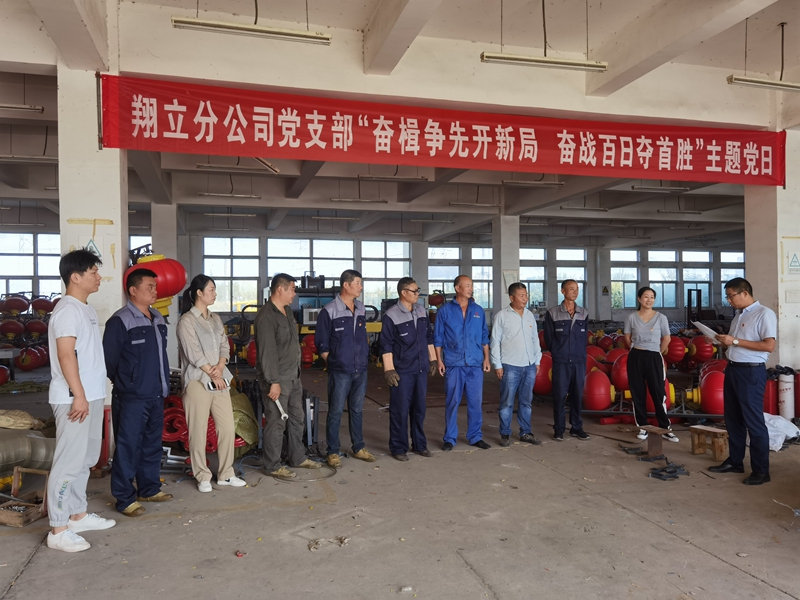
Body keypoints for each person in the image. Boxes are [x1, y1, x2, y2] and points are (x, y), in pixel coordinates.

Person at [46, 249, 116, 553]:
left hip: (90, 396)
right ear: (75, 277)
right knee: (67, 464)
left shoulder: (85, 309)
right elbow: (66, 355)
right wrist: (79, 395)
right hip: (74, 399)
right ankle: (58, 529)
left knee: (86, 460)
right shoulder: (66, 311)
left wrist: (90, 395)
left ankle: (77, 515)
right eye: (93, 272)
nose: (98, 277)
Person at [103, 268, 173, 518]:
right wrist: (128, 384)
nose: (155, 291)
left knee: (152, 444)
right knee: (128, 446)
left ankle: (149, 489)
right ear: (133, 290)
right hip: (132, 397)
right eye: (149, 287)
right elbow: (109, 361)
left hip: (156, 394)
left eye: (155, 287)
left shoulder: (158, 318)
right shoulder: (120, 320)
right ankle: (124, 498)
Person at [176, 274, 246, 492]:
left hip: (219, 381)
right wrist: (213, 374)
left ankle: (226, 473)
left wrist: (221, 365)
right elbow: (194, 354)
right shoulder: (187, 321)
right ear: (199, 293)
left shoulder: (215, 318)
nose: (215, 294)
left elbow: (225, 345)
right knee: (198, 430)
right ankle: (202, 475)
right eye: (212, 290)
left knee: (227, 428)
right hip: (198, 381)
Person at [255, 273, 321, 479]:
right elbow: (267, 353)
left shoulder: (288, 312)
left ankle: (297, 457)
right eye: (292, 289)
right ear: (280, 289)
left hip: (293, 376)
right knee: (276, 422)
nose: (295, 293)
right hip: (278, 379)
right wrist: (273, 382)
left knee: (296, 418)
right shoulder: (266, 316)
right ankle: (272, 465)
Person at [711, 277, 776, 485]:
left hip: (751, 372)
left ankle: (761, 471)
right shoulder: (739, 315)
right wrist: (720, 341)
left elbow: (768, 346)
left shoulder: (764, 313)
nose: (729, 300)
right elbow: (735, 344)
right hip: (733, 369)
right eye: (727, 297)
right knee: (733, 419)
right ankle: (735, 461)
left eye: (731, 296)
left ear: (745, 293)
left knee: (753, 422)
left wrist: (735, 340)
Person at [315, 270, 377, 468]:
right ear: (346, 285)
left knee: (357, 410)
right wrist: (333, 361)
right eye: (357, 283)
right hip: (340, 371)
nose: (361, 287)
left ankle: (358, 447)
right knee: (335, 411)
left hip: (361, 369)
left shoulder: (360, 308)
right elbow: (321, 343)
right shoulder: (329, 310)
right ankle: (333, 451)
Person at [380, 277, 436, 461]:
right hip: (402, 371)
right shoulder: (391, 315)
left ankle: (420, 445)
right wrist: (389, 369)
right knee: (400, 410)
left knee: (419, 409)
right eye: (414, 291)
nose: (418, 294)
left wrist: (433, 359)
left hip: (420, 369)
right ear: (404, 293)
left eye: (417, 290)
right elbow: (386, 345)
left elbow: (428, 337)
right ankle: (398, 447)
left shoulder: (421, 311)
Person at [433, 275, 491, 451]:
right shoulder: (445, 311)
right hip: (454, 363)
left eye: (471, 286)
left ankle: (475, 437)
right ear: (457, 288)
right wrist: (439, 360)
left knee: (475, 403)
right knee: (452, 402)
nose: (470, 289)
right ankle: (450, 438)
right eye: (467, 286)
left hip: (475, 363)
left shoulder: (478, 311)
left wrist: (486, 358)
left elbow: (484, 336)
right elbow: (438, 338)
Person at [490, 282, 542, 447]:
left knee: (526, 402)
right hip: (510, 365)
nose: (525, 298)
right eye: (521, 295)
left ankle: (525, 432)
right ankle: (505, 433)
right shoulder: (501, 316)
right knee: (507, 402)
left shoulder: (529, 315)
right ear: (512, 298)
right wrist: (497, 365)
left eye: (526, 295)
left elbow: (535, 339)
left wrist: (537, 360)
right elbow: (495, 342)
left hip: (529, 365)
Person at [623, 286, 678, 443]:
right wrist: (635, 348)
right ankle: (643, 426)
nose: (649, 300)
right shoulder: (631, 317)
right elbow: (627, 337)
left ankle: (665, 428)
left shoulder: (661, 318)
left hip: (654, 356)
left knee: (658, 392)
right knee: (637, 392)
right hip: (636, 356)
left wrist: (657, 352)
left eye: (652, 297)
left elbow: (667, 338)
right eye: (646, 297)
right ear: (639, 299)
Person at [543, 279, 591, 441]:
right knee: (559, 395)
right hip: (561, 361)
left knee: (577, 395)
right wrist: (558, 352)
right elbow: (549, 338)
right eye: (571, 289)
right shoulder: (553, 313)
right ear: (563, 291)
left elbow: (584, 337)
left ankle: (576, 427)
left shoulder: (584, 313)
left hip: (579, 361)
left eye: (576, 289)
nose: (575, 292)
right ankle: (559, 429)